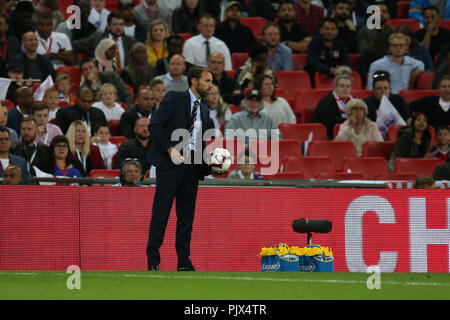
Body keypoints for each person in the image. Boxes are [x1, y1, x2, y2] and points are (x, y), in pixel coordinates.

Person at [146, 66, 215, 272]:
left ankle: (183, 261)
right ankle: (153, 260)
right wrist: (169, 149)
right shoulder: (175, 98)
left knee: (186, 217)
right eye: (207, 81)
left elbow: (202, 142)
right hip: (170, 165)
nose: (211, 86)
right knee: (161, 213)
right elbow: (155, 125)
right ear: (194, 81)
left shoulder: (204, 109)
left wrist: (211, 162)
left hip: (192, 168)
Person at [72, 10, 137, 69]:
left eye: (121, 24)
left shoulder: (131, 41)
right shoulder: (98, 38)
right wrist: (76, 65)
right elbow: (74, 45)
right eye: (115, 24)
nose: (118, 27)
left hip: (124, 78)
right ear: (108, 26)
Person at [311, 67, 354, 139]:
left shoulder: (355, 101)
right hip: (330, 137)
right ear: (335, 87)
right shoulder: (326, 101)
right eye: (342, 86)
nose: (345, 89)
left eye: (348, 86)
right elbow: (331, 123)